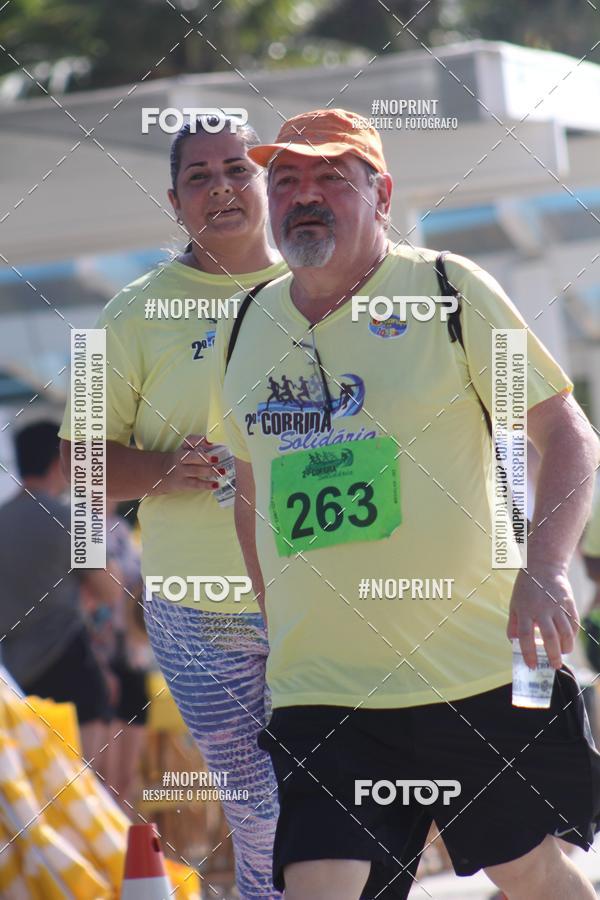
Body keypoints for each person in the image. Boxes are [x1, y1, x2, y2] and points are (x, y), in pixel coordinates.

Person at [209, 108, 600, 900]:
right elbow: (250, 487)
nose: (303, 196)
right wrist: (273, 619)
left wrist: (546, 569)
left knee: (529, 875)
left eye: (330, 178)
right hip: (324, 689)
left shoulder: (449, 290)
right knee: (321, 890)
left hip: (473, 671)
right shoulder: (246, 323)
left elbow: (568, 434)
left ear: (380, 194)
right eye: (285, 181)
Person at [59, 117, 287, 898]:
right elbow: (76, 464)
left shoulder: (326, 289)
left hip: (330, 590)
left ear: (268, 179)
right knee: (259, 805)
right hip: (201, 605)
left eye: (238, 168)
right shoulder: (122, 314)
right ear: (173, 201)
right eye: (199, 177)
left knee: (347, 789)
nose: (222, 186)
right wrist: (161, 468)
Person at [0, 421, 121, 763]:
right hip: (69, 668)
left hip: (12, 676)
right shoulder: (69, 521)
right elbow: (110, 590)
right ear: (58, 464)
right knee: (83, 794)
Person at [82, 500, 148, 809]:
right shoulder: (80, 525)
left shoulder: (121, 528)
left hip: (132, 656)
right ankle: (105, 853)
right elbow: (82, 601)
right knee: (101, 781)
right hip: (101, 659)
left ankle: (122, 852)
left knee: (125, 780)